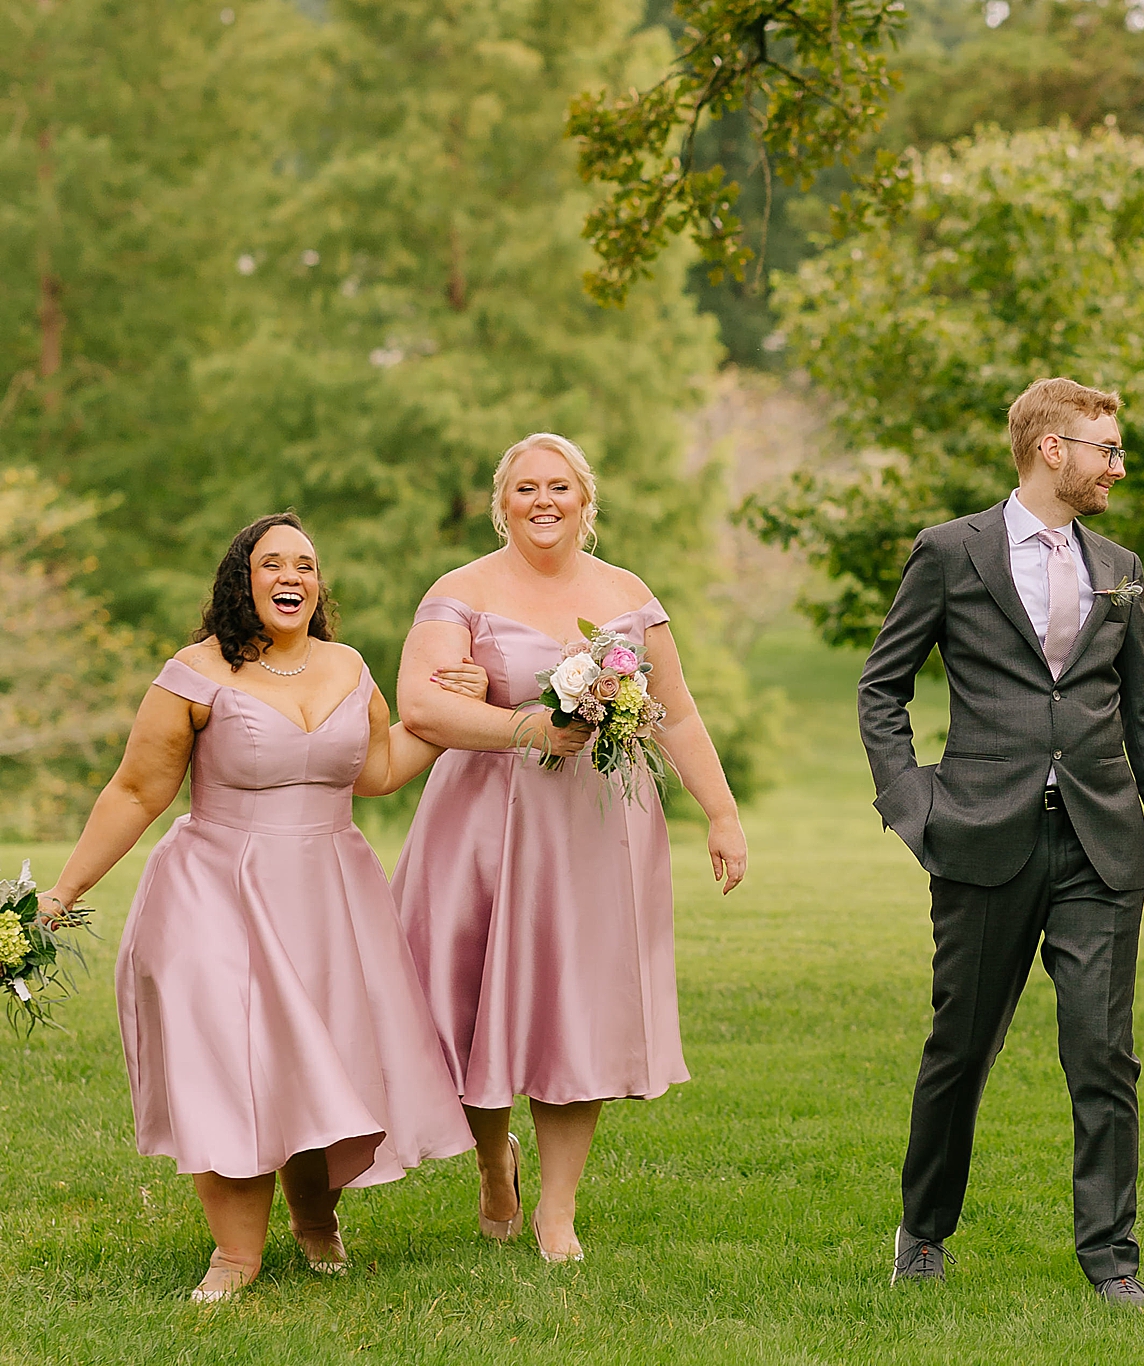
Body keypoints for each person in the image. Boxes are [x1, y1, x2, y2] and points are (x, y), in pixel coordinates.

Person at [40, 513, 484, 1303]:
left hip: (331, 895)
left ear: (319, 585)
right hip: (215, 890)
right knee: (230, 1058)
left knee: (321, 1059)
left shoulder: (349, 666)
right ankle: (234, 1252)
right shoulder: (195, 671)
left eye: (306, 566)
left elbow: (377, 770)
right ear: (241, 580)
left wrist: (455, 721)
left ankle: (316, 1219)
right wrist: (63, 892)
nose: (292, 577)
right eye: (272, 563)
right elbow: (138, 789)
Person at [858, 377, 1144, 1306]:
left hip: (1100, 846)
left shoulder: (1121, 564)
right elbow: (881, 687)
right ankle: (924, 1232)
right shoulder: (950, 552)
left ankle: (1112, 1259)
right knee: (960, 1049)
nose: (1119, 465)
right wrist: (914, 805)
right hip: (979, 838)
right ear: (1052, 448)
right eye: (1108, 447)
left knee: (1103, 1053)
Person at [391, 432, 748, 1265]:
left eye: (559, 486)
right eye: (525, 488)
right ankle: (492, 1162)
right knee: (468, 1004)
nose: (542, 500)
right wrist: (527, 726)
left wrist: (722, 813)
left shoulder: (627, 594)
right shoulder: (460, 592)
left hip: (595, 829)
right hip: (481, 824)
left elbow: (678, 713)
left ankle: (558, 1211)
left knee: (574, 1012)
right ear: (502, 504)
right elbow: (422, 707)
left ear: (586, 502)